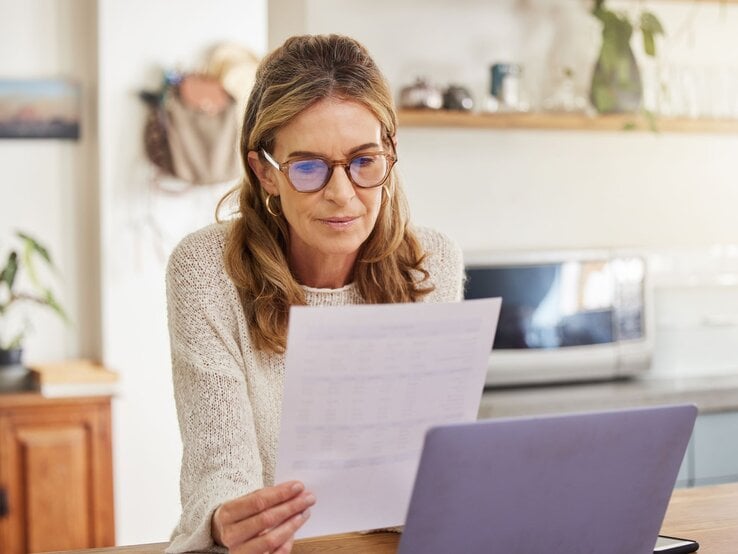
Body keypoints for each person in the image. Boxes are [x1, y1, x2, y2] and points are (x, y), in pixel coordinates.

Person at [165, 33, 464, 553]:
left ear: (390, 154)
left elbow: (424, 473)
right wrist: (225, 521)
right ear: (265, 171)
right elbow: (220, 474)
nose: (342, 194)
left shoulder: (432, 262)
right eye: (308, 167)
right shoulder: (206, 270)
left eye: (365, 162)